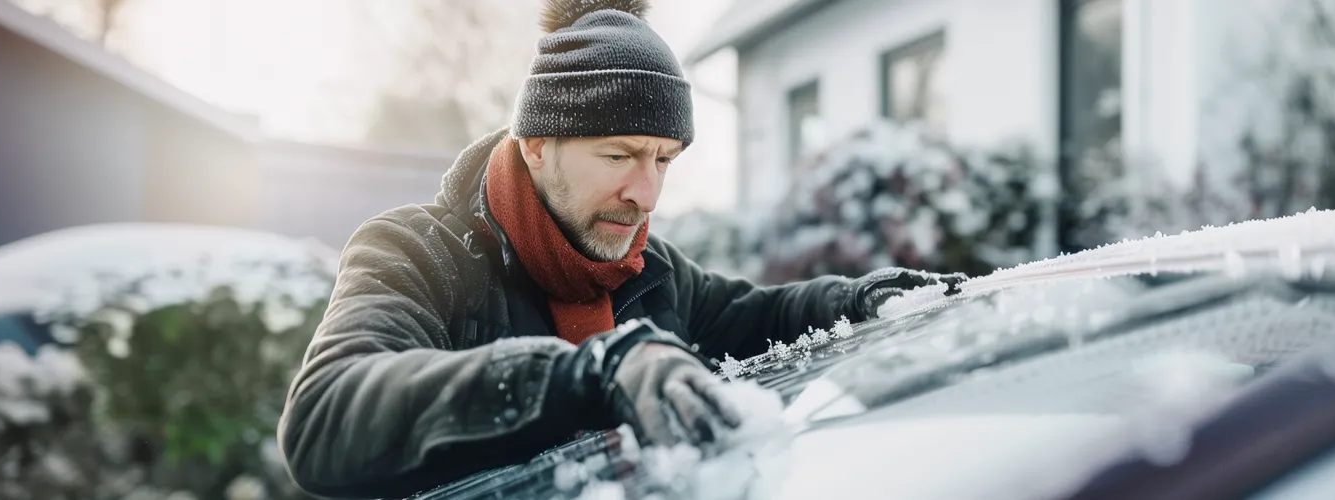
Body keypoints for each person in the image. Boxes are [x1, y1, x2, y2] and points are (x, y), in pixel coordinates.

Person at [274, 0, 964, 497]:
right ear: (537, 145)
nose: (647, 193)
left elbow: (759, 318)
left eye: (664, 159)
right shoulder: (417, 254)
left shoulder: (651, 272)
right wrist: (588, 374)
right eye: (620, 154)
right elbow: (324, 418)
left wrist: (862, 300)